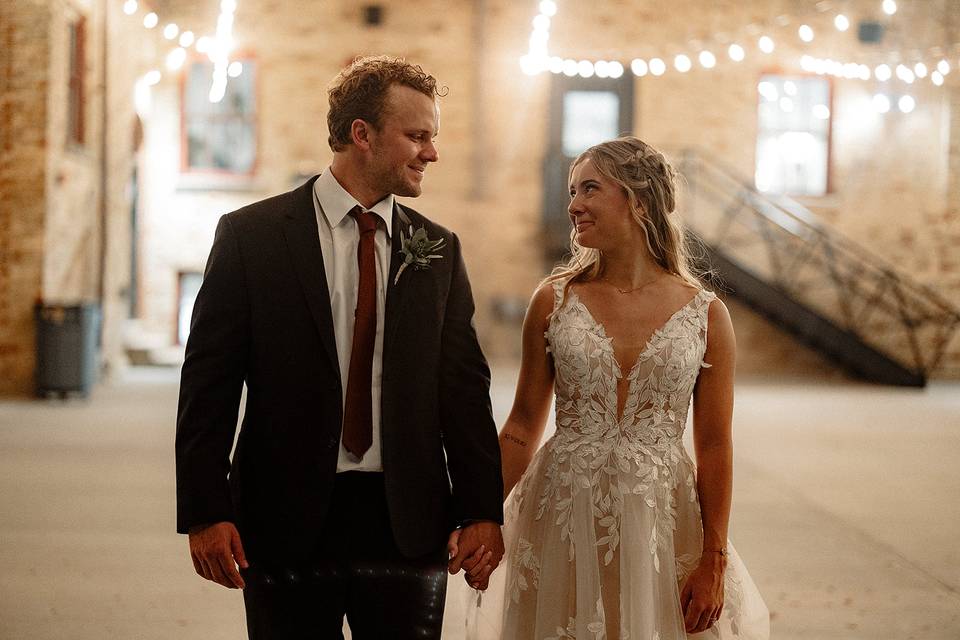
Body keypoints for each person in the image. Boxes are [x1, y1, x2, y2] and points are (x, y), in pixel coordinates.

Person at [175, 55, 504, 640]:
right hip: (284, 517)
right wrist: (206, 509)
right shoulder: (251, 237)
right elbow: (209, 384)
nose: (432, 153)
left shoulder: (438, 250)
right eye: (418, 136)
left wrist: (481, 510)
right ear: (362, 135)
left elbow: (463, 389)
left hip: (407, 517)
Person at [456, 136, 769, 639]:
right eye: (572, 191)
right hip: (561, 509)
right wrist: (483, 515)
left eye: (589, 189)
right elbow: (520, 425)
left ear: (638, 200)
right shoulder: (553, 300)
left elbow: (714, 446)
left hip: (660, 516)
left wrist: (714, 557)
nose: (573, 205)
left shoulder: (707, 314)